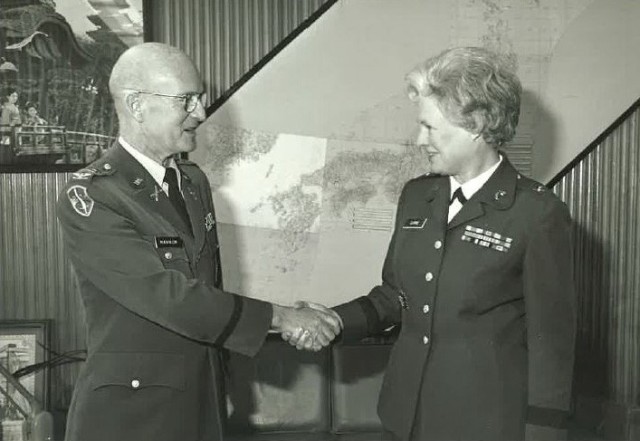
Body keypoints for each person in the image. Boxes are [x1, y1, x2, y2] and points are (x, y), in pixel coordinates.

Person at [56, 42, 341, 441]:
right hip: (132, 415)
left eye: (201, 99)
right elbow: (169, 295)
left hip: (201, 399)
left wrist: (219, 383)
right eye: (186, 100)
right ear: (138, 105)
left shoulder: (193, 182)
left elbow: (209, 286)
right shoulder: (93, 195)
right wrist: (283, 316)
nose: (201, 113)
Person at [289, 47, 576, 441]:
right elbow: (395, 297)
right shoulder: (417, 196)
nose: (418, 139)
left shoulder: (537, 213)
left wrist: (545, 433)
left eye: (429, 127)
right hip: (407, 414)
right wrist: (336, 320)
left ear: (475, 123)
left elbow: (552, 343)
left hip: (486, 423)